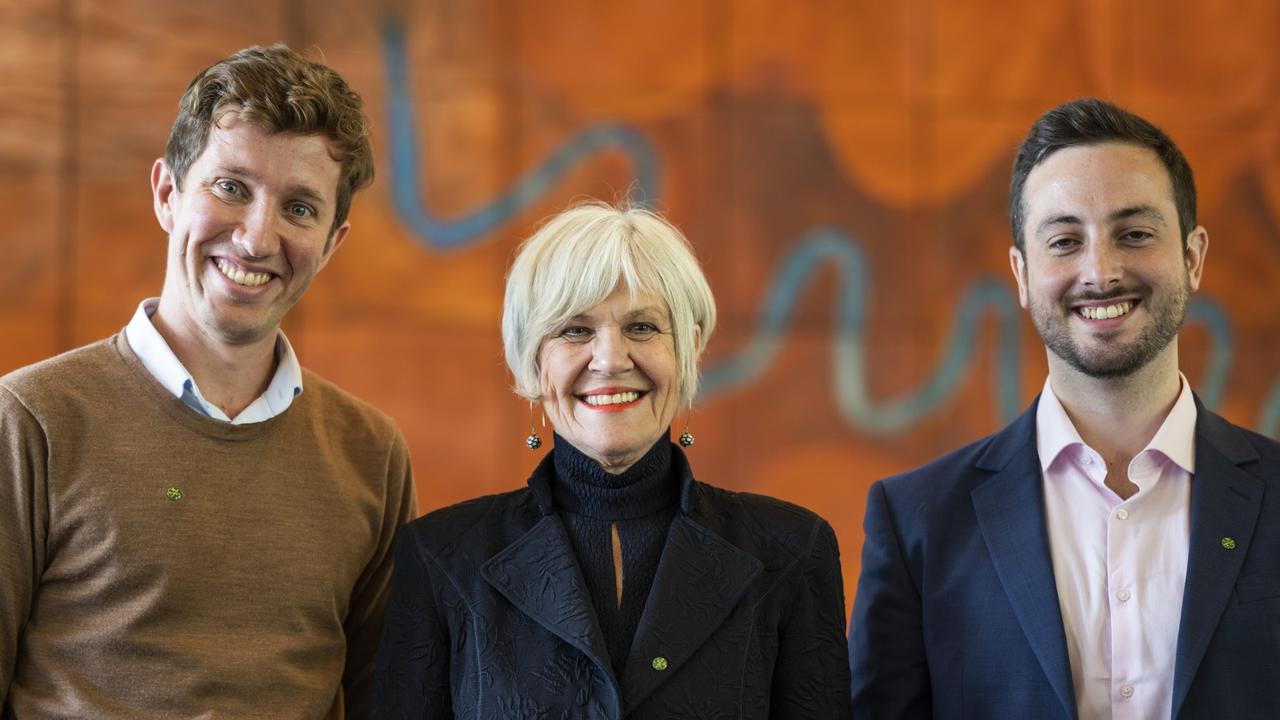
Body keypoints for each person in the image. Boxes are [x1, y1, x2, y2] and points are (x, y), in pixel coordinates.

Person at [0, 45, 417, 717]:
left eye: (300, 209)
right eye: (232, 188)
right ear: (167, 193)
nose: (256, 238)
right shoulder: (32, 419)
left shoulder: (371, 454)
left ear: (334, 242)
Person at [848, 97, 1280, 719]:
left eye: (1134, 234)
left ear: (1192, 257)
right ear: (1021, 275)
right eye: (1065, 240)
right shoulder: (918, 523)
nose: (1100, 271)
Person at [371, 202, 851, 717]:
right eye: (575, 330)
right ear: (534, 359)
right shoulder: (442, 556)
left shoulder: (793, 551)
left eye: (642, 327)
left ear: (686, 350)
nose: (610, 359)